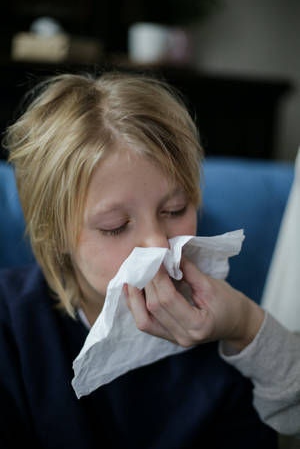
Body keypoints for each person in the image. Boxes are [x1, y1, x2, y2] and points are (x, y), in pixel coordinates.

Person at [0, 70, 278, 448]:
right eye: (116, 227)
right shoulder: (11, 328)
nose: (159, 246)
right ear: (55, 233)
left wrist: (246, 327)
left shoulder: (220, 326)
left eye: (175, 210)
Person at [125, 253, 300, 439]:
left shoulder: (221, 361)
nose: (158, 244)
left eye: (174, 220)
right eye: (114, 228)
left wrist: (245, 323)